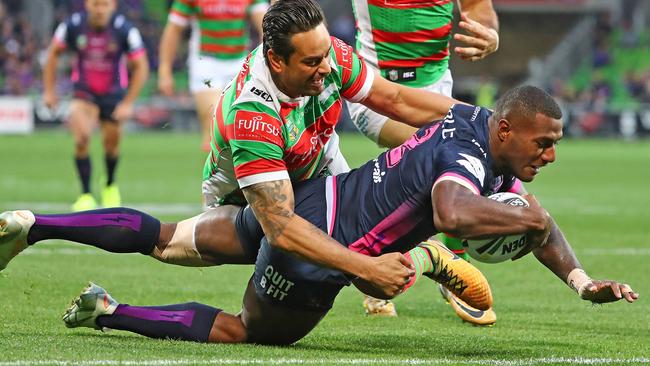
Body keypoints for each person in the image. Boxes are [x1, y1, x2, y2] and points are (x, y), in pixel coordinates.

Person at [4, 86, 636, 346]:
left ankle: (37, 224)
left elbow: (538, 220)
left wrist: (581, 281)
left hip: (304, 200)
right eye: (542, 143)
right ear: (505, 130)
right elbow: (452, 211)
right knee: (248, 330)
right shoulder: (469, 159)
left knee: (169, 240)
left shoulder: (472, 119)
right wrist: (525, 220)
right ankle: (110, 312)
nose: (550, 155)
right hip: (317, 251)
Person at [3, 0, 469, 300]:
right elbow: (283, 227)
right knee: (167, 245)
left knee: (360, 214)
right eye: (312, 62)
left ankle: (418, 263)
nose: (327, 69)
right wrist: (364, 265)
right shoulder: (253, 114)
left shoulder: (331, 56)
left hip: (318, 162)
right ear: (276, 61)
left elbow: (398, 99)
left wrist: (477, 122)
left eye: (327, 55)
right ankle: (37, 227)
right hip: (248, 193)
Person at [347, 0, 500, 320]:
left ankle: (421, 265)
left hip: (435, 89)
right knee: (439, 155)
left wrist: (488, 34)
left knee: (453, 161)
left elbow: (478, 8)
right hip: (375, 90)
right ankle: (443, 267)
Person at [43, 0, 149, 211]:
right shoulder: (72, 25)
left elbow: (142, 66)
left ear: (113, 6)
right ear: (87, 5)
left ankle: (109, 183)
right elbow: (53, 53)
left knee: (111, 146)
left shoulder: (125, 29)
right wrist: (49, 90)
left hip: (113, 94)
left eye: (104, 5)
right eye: (95, 4)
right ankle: (86, 194)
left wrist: (128, 103)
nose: (99, 9)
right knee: (81, 138)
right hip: (84, 92)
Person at [158, 0, 268, 151]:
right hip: (205, 64)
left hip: (239, 63)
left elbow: (265, 25)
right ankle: (216, 172)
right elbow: (173, 29)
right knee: (215, 127)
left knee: (243, 129)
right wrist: (165, 69)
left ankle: (240, 172)